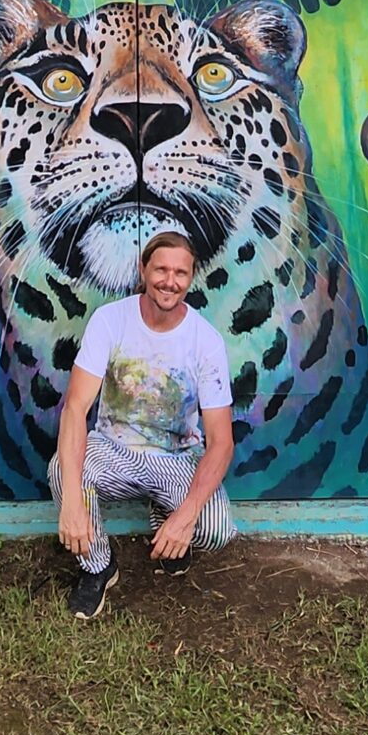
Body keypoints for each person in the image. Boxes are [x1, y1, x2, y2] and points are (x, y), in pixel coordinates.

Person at [50, 229, 237, 620]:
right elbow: (75, 409)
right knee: (61, 471)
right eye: (161, 269)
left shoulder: (206, 340)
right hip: (113, 449)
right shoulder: (110, 321)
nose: (170, 281)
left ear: (191, 277)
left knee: (214, 529)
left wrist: (185, 519)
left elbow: (221, 442)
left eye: (180, 273)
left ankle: (166, 518)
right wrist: (70, 501)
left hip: (176, 457)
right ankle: (99, 565)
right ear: (143, 269)